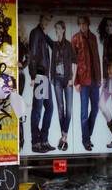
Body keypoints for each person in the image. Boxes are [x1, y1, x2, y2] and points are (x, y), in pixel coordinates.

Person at [71, 16, 102, 152]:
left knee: (95, 109)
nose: (82, 26)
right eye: (80, 24)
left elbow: (97, 58)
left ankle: (87, 135)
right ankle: (86, 140)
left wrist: (99, 77)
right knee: (84, 112)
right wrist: (76, 81)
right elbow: (73, 62)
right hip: (83, 80)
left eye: (84, 24)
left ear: (88, 24)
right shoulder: (75, 38)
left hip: (94, 80)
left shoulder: (93, 37)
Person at [26, 15, 54, 153]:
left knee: (49, 108)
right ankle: (36, 142)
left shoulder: (43, 34)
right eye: (45, 20)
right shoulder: (35, 33)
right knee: (37, 110)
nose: (46, 23)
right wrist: (33, 75)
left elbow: (54, 46)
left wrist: (47, 35)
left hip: (45, 77)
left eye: (48, 21)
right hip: (39, 75)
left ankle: (44, 140)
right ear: (40, 19)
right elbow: (31, 54)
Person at [49, 20, 75, 152]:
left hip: (67, 79)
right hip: (57, 79)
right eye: (56, 29)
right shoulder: (54, 45)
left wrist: (72, 78)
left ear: (63, 30)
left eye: (58, 29)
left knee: (69, 109)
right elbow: (52, 62)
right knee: (60, 108)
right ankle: (64, 137)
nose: (57, 31)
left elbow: (74, 62)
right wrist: (52, 77)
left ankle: (63, 136)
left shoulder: (69, 45)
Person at [96, 17, 112, 149]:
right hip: (108, 78)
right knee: (101, 104)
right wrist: (103, 78)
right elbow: (104, 60)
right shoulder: (106, 40)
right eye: (106, 26)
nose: (108, 28)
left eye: (111, 25)